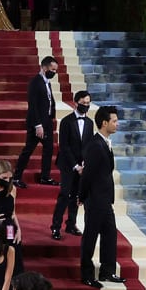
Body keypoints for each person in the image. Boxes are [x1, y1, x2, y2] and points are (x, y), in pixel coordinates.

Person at [79, 105, 123, 287]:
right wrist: (81, 196)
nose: (117, 124)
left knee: (110, 234)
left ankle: (107, 271)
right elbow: (87, 174)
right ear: (104, 123)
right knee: (90, 237)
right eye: (114, 121)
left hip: (105, 200)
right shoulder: (95, 145)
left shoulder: (105, 142)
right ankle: (87, 274)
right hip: (96, 200)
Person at [51, 90, 93, 240]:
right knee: (64, 194)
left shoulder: (89, 123)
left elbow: (88, 146)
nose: (86, 106)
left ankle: (71, 224)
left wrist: (85, 164)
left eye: (88, 103)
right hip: (68, 165)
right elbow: (64, 146)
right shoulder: (66, 121)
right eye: (83, 103)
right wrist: (76, 165)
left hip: (82, 166)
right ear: (76, 103)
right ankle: (55, 227)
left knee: (76, 195)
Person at [13, 56, 60, 187]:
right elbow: (32, 105)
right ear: (44, 67)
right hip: (37, 124)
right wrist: (38, 125)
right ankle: (16, 178)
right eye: (52, 69)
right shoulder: (35, 82)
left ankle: (45, 177)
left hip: (47, 122)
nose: (54, 73)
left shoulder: (47, 82)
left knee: (49, 150)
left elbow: (48, 101)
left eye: (56, 70)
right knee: (28, 150)